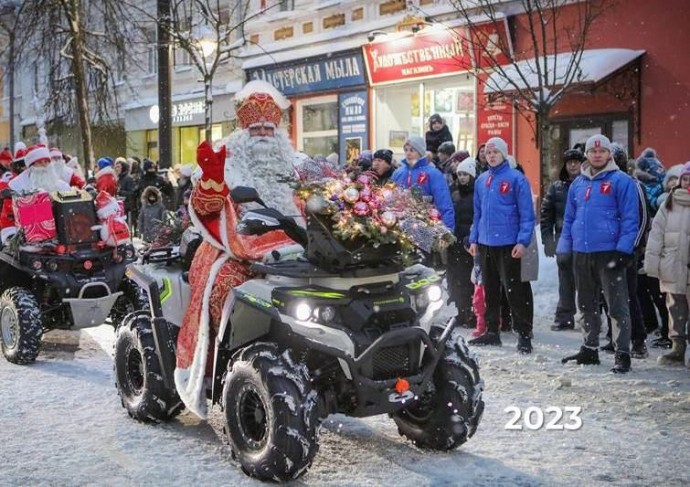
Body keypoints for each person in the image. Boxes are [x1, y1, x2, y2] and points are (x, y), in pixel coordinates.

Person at [175, 80, 300, 419]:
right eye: (255, 127)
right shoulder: (226, 158)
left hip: (296, 251)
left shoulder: (291, 162)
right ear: (243, 127)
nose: (262, 134)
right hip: (231, 248)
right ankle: (220, 361)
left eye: (268, 127)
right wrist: (212, 180)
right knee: (225, 287)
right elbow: (204, 207)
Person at [559, 135, 639, 373]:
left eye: (602, 151)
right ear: (587, 155)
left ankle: (622, 352)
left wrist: (624, 250)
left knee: (616, 305)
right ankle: (589, 348)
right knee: (585, 303)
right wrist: (564, 247)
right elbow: (569, 219)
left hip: (609, 252)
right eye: (593, 152)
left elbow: (630, 219)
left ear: (609, 154)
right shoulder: (578, 184)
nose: (597, 155)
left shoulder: (622, 181)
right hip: (582, 252)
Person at [467, 137, 535, 354]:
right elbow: (477, 214)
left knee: (515, 291)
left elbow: (527, 215)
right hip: (486, 243)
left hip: (509, 243)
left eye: (495, 152)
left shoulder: (517, 179)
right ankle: (492, 331)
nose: (491, 156)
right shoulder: (481, 181)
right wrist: (474, 239)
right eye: (488, 153)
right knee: (490, 290)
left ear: (504, 154)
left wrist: (522, 241)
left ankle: (524, 334)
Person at [644, 162, 690, 366]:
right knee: (675, 308)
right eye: (685, 178)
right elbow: (656, 234)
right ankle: (677, 348)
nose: (688, 182)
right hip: (673, 263)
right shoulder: (669, 202)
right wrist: (653, 263)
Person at [541, 148, 585, 330]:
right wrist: (547, 240)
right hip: (562, 238)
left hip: (585, 239)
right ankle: (564, 317)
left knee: (586, 281)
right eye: (569, 162)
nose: (573, 165)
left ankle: (588, 317)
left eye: (576, 161)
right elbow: (546, 214)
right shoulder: (557, 187)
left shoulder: (588, 184)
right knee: (565, 280)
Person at [1, 144, 70, 242]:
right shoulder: (17, 186)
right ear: (31, 166)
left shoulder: (62, 186)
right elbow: (8, 217)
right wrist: (10, 236)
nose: (44, 166)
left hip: (62, 237)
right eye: (39, 162)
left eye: (46, 161)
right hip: (29, 240)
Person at [391, 135, 455, 232]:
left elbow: (444, 203)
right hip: (398, 227)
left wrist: (448, 230)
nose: (408, 153)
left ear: (420, 152)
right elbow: (390, 198)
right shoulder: (398, 173)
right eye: (406, 150)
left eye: (412, 150)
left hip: (425, 227)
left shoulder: (433, 174)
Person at [447, 157, 477, 328]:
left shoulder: (476, 193)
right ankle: (461, 310)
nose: (462, 177)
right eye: (459, 174)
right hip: (455, 241)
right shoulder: (454, 192)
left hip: (469, 242)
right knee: (456, 279)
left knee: (469, 279)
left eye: (465, 174)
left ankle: (472, 313)